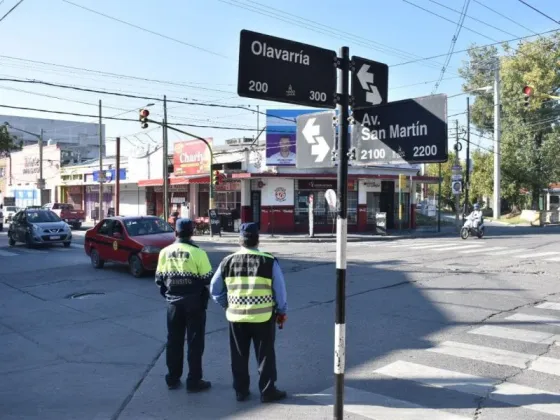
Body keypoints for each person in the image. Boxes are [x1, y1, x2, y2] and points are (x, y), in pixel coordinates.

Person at [210, 222, 288, 403]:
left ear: (240, 240)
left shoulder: (227, 261)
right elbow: (280, 291)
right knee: (265, 355)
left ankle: (241, 391)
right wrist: (281, 311)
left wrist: (227, 304)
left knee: (238, 355)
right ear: (257, 240)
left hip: (236, 317)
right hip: (263, 317)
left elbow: (215, 290)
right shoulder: (268, 261)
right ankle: (267, 391)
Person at [155, 218, 214, 392]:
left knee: (174, 341)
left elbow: (159, 279)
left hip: (173, 303)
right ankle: (194, 381)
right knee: (195, 343)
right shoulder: (198, 253)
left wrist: (170, 293)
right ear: (192, 232)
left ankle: (172, 378)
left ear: (176, 233)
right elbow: (207, 277)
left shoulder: (165, 252)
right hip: (194, 303)